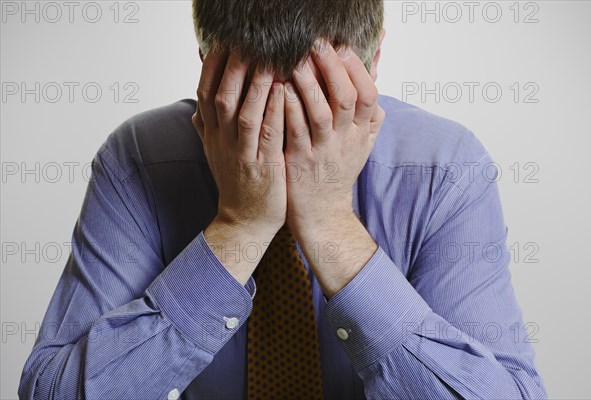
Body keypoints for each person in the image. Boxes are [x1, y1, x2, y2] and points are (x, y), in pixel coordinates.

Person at [19, 0, 548, 399]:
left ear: (374, 63)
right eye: (254, 104)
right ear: (207, 70)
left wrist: (331, 224)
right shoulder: (141, 156)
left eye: (319, 105)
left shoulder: (443, 166)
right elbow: (49, 391)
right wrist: (240, 226)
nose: (278, 138)